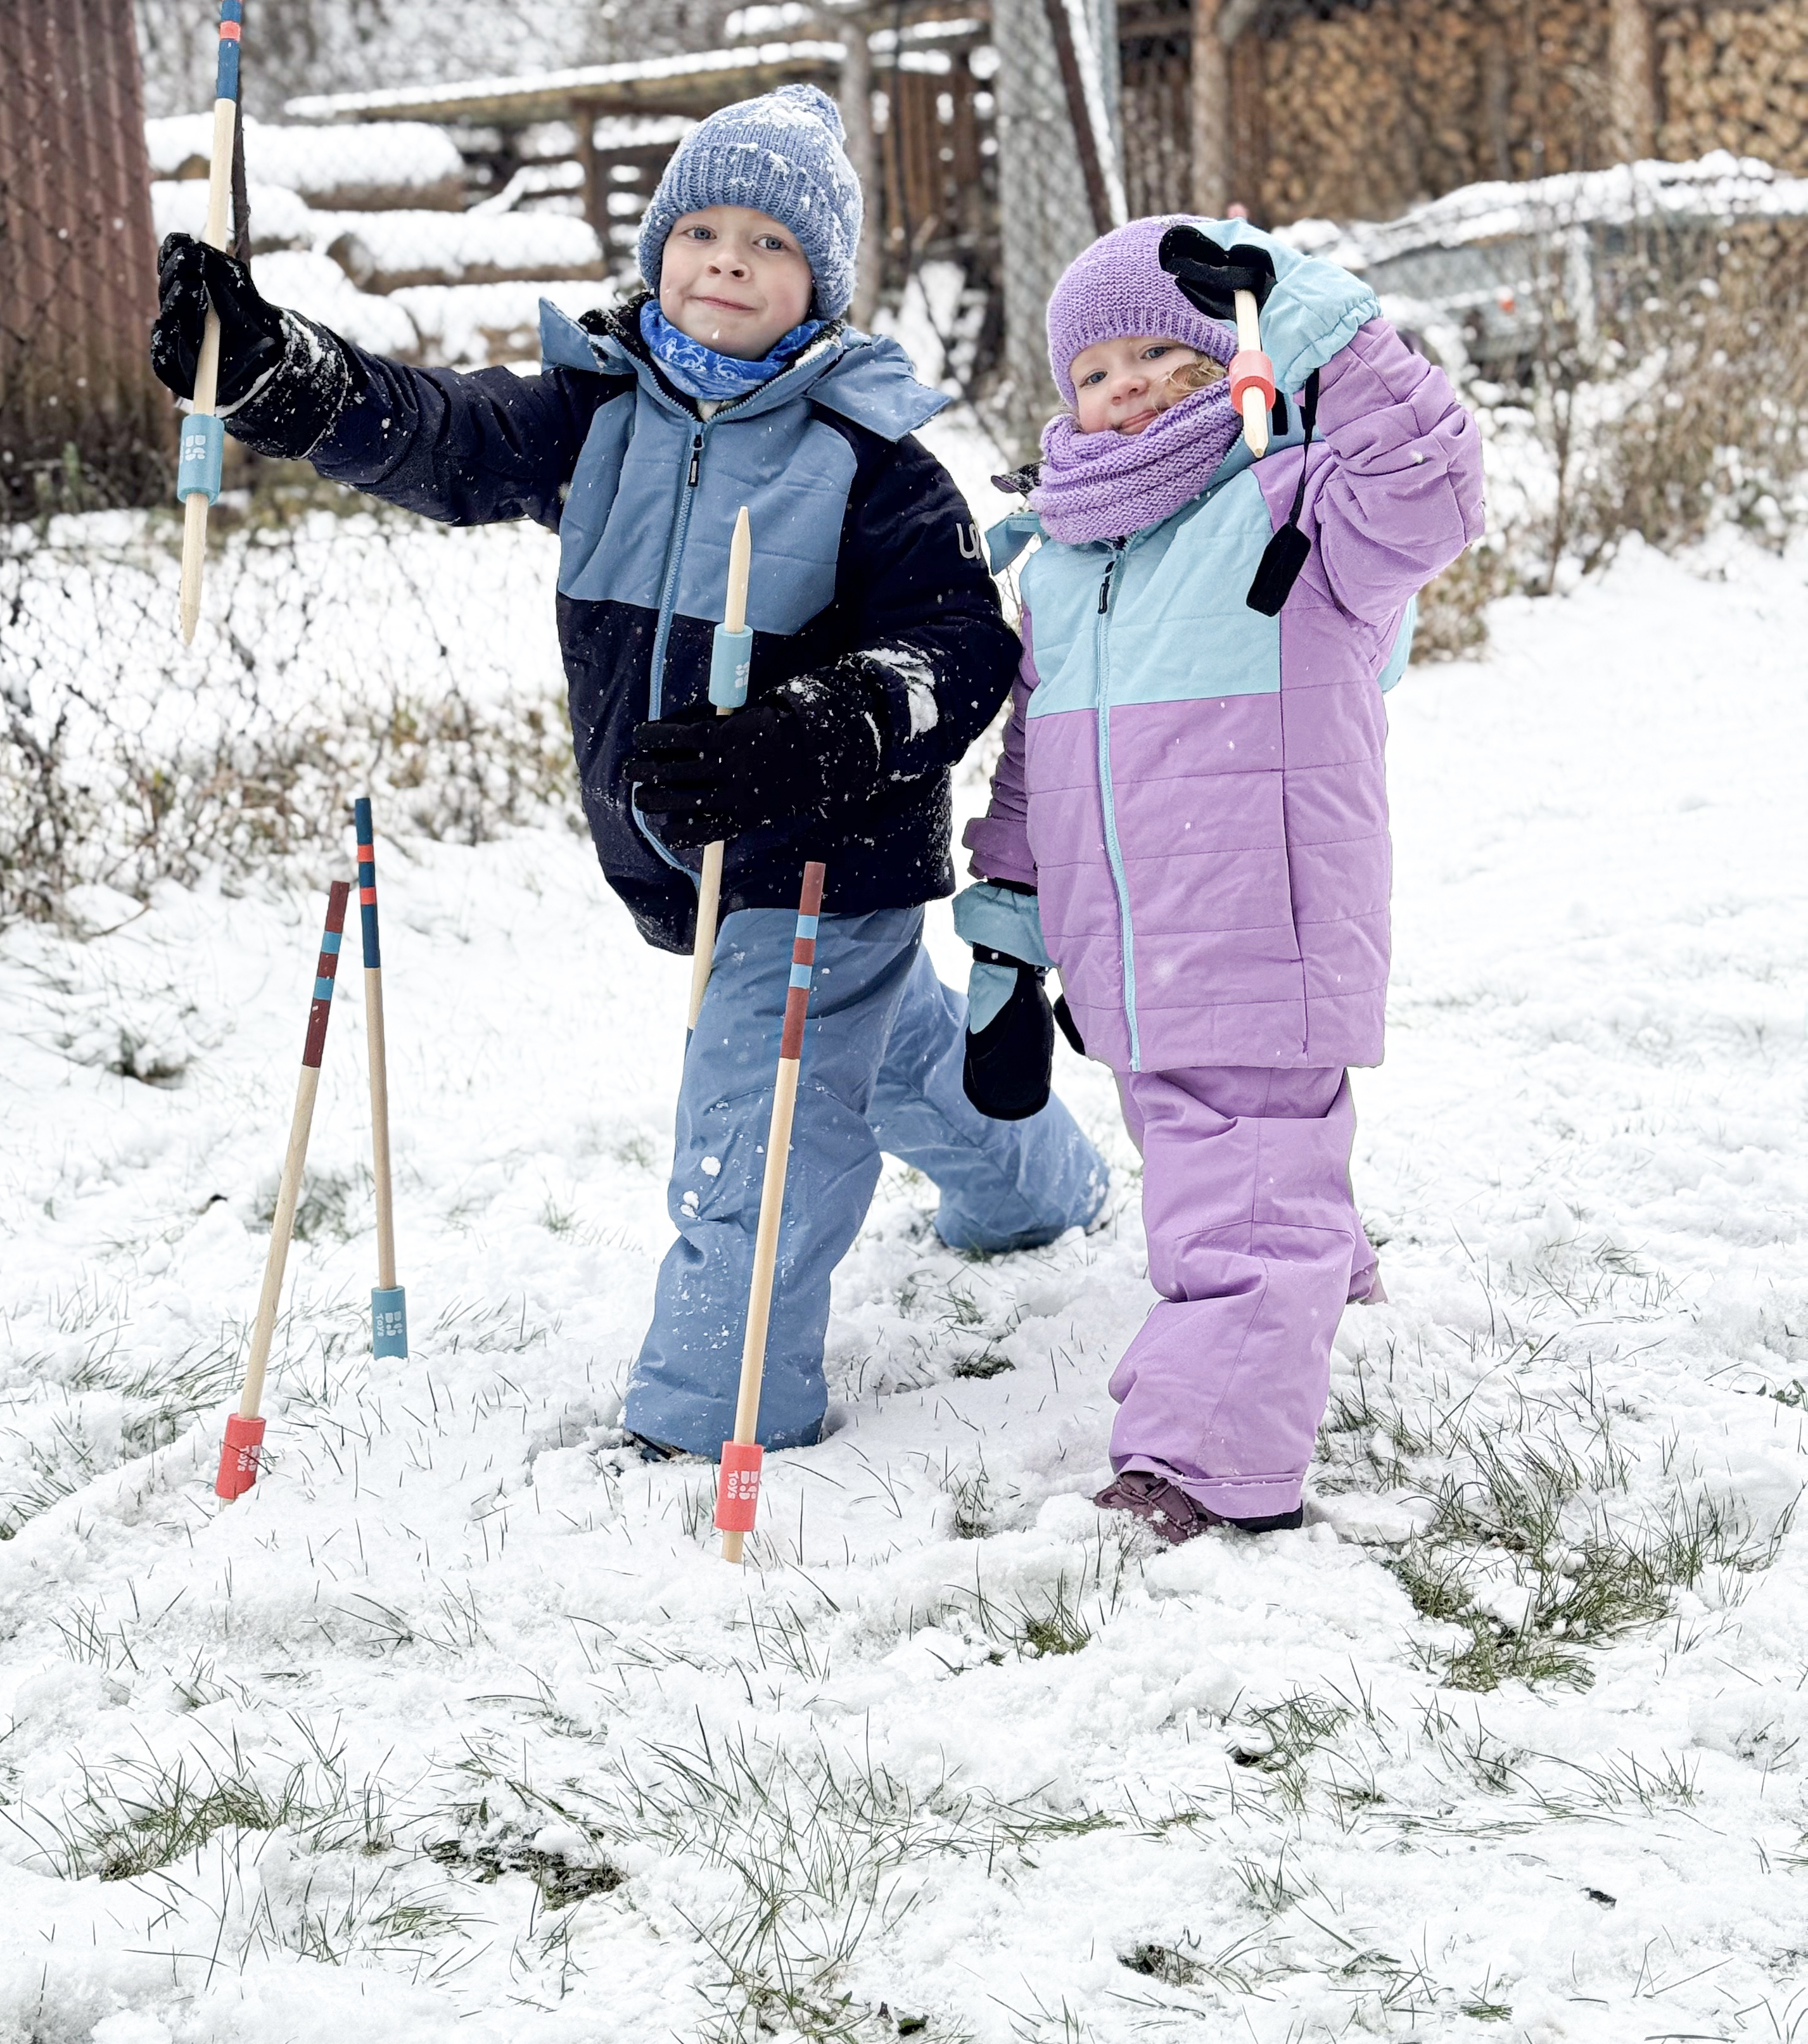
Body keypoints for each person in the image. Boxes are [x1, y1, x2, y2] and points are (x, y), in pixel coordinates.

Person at [150, 85, 1105, 1457]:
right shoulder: (594, 416)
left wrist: (821, 727)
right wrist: (272, 371)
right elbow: (436, 431)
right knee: (881, 1048)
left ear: (821, 287)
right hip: (689, 859)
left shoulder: (875, 462)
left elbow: (954, 650)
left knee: (760, 1125)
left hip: (828, 857)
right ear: (657, 249)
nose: (730, 259)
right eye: (703, 228)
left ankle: (712, 1414)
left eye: (772, 245)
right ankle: (1032, 1187)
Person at [955, 215, 1484, 1546]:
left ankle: (1199, 1462)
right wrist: (1010, 939)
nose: (1125, 386)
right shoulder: (1064, 559)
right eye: (1096, 369)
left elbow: (1437, 488)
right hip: (1124, 947)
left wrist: (1316, 318)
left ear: (1230, 361)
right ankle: (1325, 1272)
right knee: (1235, 1169)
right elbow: (1034, 764)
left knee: (1237, 1197)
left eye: (1164, 357)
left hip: (1264, 925)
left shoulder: (1302, 508)